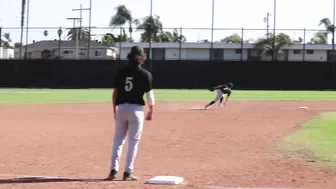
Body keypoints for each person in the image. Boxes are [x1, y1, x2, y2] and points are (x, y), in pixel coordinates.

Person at [107, 46, 155, 181]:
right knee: (133, 142)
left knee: (118, 140)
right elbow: (150, 95)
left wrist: (114, 110)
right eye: (141, 56)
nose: (143, 58)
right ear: (136, 57)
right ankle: (128, 172)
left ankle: (113, 170)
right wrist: (151, 110)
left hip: (121, 108)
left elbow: (115, 94)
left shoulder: (121, 72)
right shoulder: (146, 74)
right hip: (136, 110)